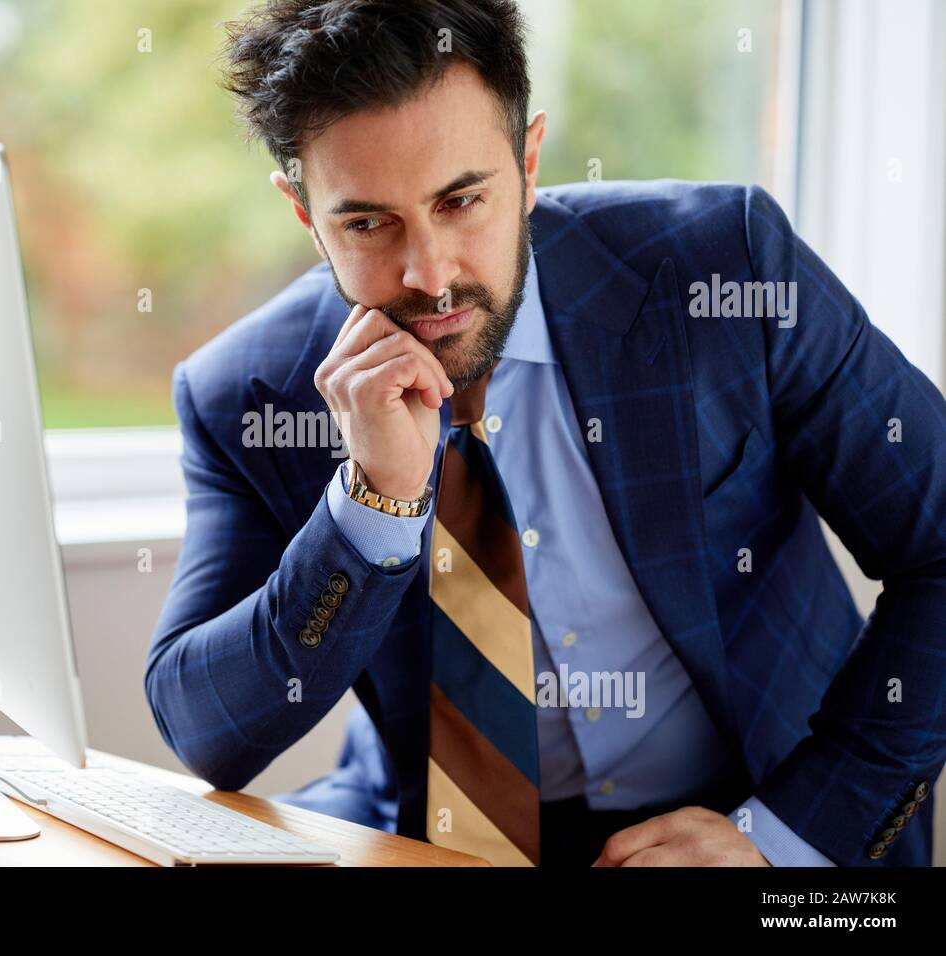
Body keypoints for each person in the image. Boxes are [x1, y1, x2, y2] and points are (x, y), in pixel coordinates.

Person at [144, 0, 944, 866]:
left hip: (759, 806)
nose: (431, 275)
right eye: (367, 223)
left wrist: (783, 841)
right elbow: (207, 735)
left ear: (528, 162)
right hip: (440, 837)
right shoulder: (245, 393)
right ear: (305, 214)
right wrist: (371, 508)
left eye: (462, 200)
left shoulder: (728, 271)